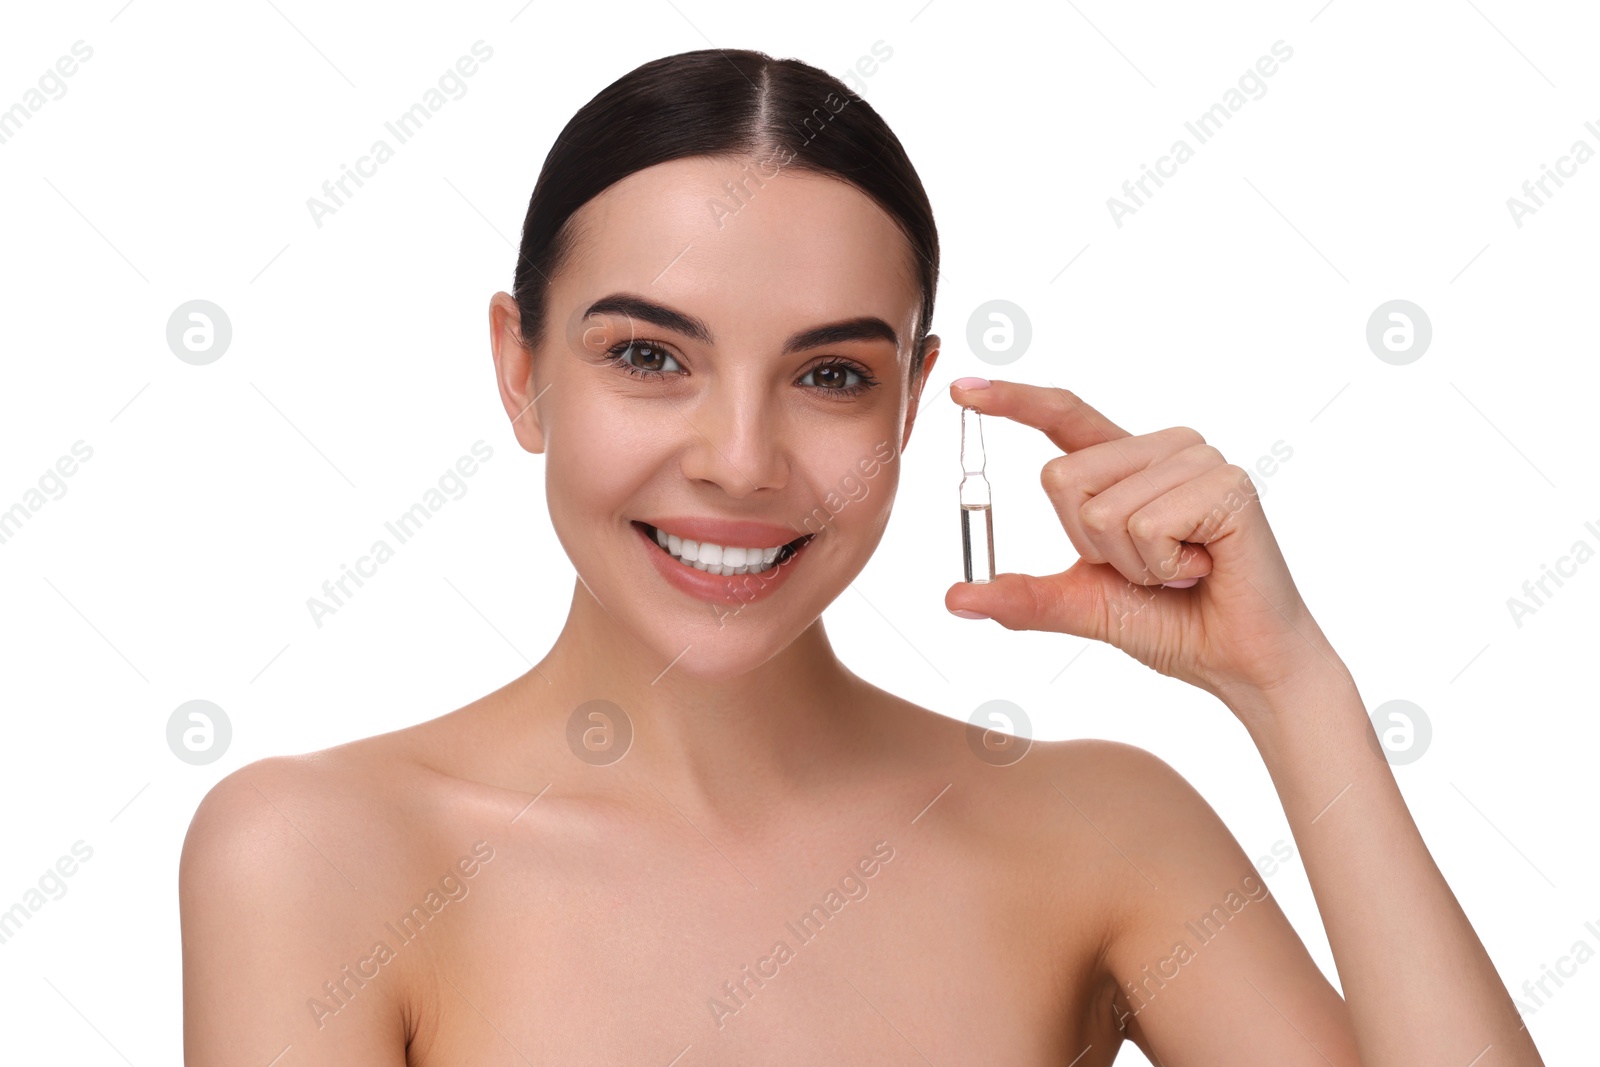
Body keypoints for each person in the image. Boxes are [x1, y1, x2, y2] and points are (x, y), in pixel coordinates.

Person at [179, 48, 1545, 1065]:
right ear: (520, 370)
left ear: (911, 399)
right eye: (649, 356)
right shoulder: (318, 855)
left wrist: (1289, 687)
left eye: (829, 376)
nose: (738, 459)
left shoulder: (1101, 833)